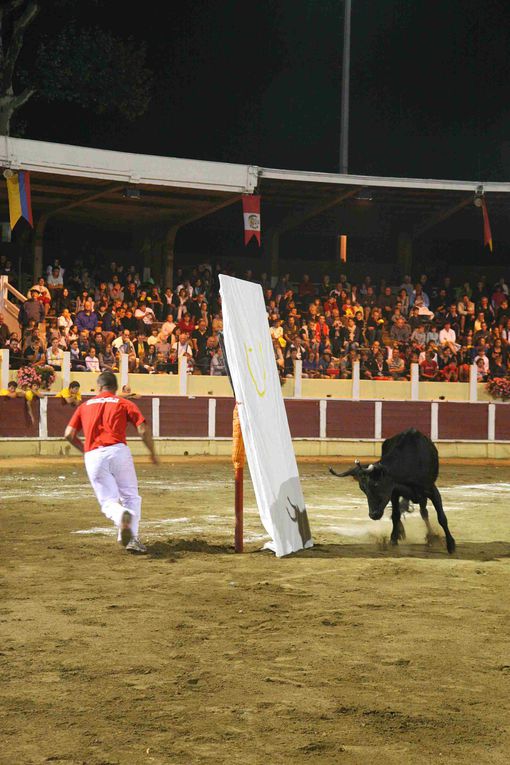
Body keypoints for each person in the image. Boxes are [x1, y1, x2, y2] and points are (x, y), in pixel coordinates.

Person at [64, 371, 158, 554]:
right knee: (131, 496)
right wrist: (152, 452)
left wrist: (85, 450)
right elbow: (142, 428)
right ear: (115, 388)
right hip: (118, 452)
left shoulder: (84, 406)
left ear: (98, 387)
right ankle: (132, 537)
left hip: (93, 455)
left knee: (108, 501)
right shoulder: (124, 402)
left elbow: (69, 434)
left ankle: (120, 516)